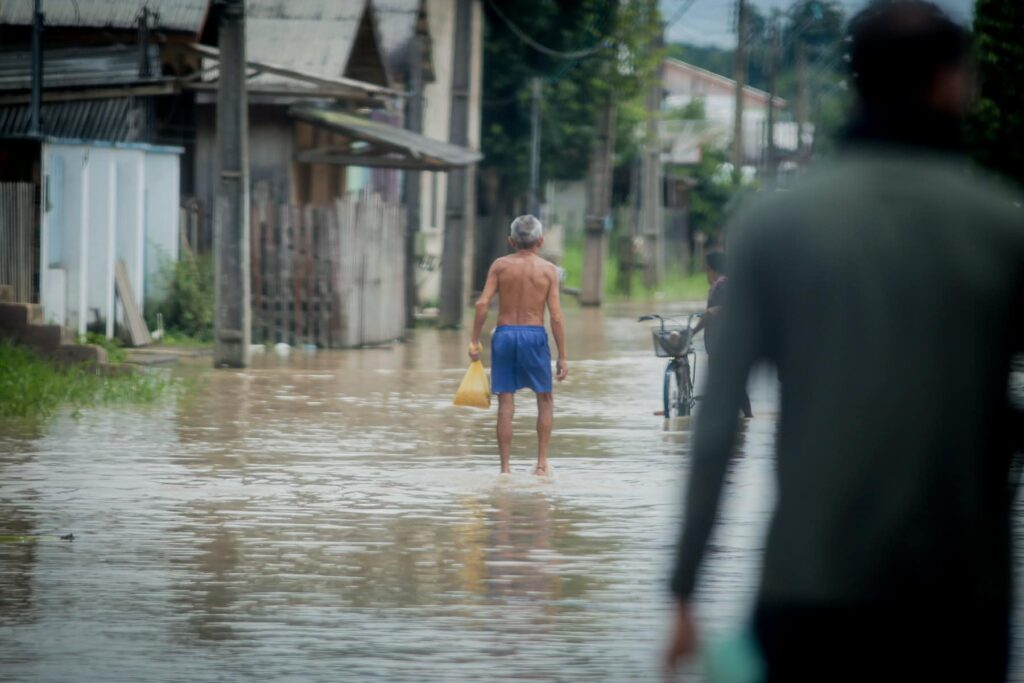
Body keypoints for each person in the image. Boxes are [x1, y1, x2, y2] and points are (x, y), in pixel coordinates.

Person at [665, 3, 1024, 681]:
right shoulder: (999, 227)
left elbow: (714, 430)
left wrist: (683, 591)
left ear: (855, 80)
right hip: (961, 595)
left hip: (808, 583)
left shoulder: (775, 225)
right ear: (953, 84)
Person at [471, 215, 568, 475]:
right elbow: (556, 317)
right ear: (541, 241)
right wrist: (562, 356)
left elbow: (482, 304)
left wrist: (473, 340)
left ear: (511, 241)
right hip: (534, 334)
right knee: (545, 399)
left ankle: (505, 469)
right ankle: (541, 464)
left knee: (505, 401)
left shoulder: (500, 266)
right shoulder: (549, 270)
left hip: (504, 335)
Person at [691, 251, 753, 418]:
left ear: (710, 269)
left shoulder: (723, 285)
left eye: (705, 269)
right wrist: (694, 330)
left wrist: (710, 313)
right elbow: (708, 316)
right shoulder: (717, 286)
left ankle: (740, 417)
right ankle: (744, 418)